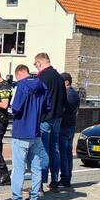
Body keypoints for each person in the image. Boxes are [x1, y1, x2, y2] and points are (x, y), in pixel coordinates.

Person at [1, 64, 48, 200]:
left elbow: (15, 108)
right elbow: (48, 107)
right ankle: (34, 198)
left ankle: (17, 198)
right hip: (36, 132)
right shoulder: (43, 86)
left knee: (18, 167)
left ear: (19, 74)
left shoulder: (20, 86)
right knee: (35, 166)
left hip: (21, 132)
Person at [33, 52, 67, 191]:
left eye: (35, 65)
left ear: (39, 63)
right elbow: (64, 99)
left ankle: (40, 183)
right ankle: (54, 181)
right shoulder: (60, 78)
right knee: (55, 149)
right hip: (57, 118)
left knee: (43, 150)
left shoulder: (41, 77)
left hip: (45, 118)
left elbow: (37, 99)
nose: (36, 68)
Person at [57, 73, 81, 190]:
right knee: (67, 153)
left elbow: (62, 110)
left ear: (66, 82)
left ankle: (65, 179)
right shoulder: (75, 94)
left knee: (64, 154)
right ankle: (67, 178)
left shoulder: (67, 94)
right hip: (71, 126)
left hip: (64, 126)